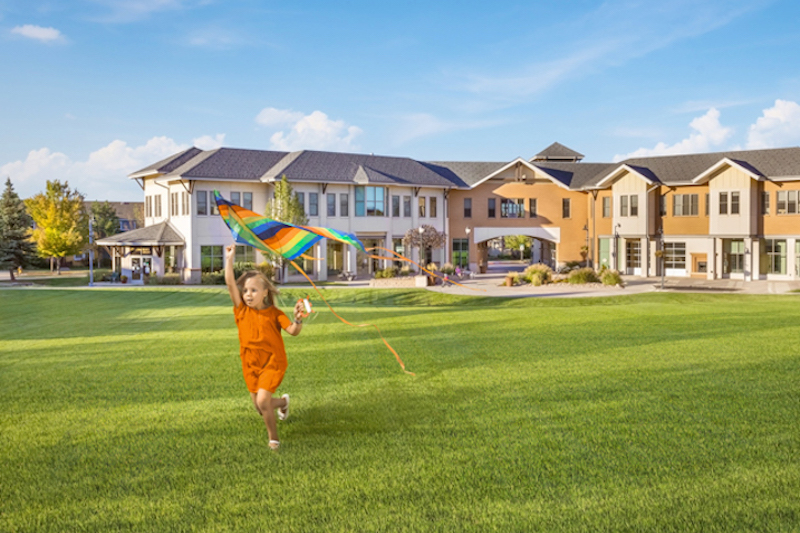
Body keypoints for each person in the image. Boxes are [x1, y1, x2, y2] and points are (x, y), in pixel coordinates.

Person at [224, 244, 304, 450]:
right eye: (246, 291)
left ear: (265, 292)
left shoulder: (275, 313)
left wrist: (298, 320)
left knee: (262, 401)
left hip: (272, 361)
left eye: (253, 290)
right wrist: (230, 259)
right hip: (249, 362)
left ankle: (273, 439)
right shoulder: (241, 310)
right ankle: (283, 403)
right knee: (260, 407)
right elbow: (230, 283)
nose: (248, 295)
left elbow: (293, 331)